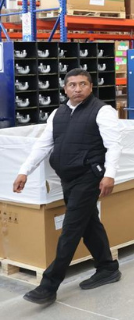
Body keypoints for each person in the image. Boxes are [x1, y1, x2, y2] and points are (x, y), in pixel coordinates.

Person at [13, 69, 122, 306]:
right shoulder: (58, 113)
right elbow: (43, 145)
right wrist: (24, 171)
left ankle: (49, 285)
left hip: (89, 176)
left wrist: (110, 175)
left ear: (90, 87)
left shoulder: (102, 111)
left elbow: (114, 145)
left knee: (71, 229)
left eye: (83, 84)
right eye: (72, 84)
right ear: (65, 88)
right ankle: (107, 268)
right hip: (68, 177)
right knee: (89, 224)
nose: (77, 89)